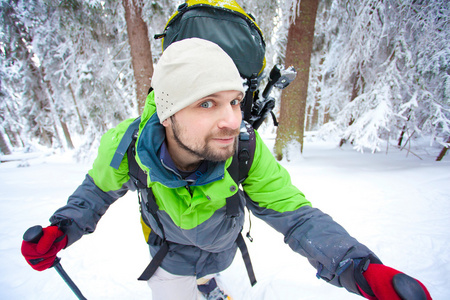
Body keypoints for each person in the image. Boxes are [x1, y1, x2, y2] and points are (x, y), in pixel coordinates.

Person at [21, 38, 431, 300]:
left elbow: (298, 218)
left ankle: (209, 286)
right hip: (167, 258)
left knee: (210, 277)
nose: (232, 121)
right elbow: (95, 193)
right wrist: (63, 228)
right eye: (206, 103)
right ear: (166, 114)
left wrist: (356, 267)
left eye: (234, 101)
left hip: (222, 251)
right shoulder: (126, 147)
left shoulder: (245, 149)